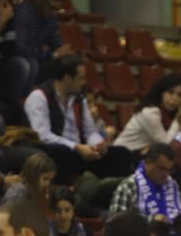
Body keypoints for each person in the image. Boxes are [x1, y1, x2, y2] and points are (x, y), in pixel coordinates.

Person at [25, 54, 133, 185]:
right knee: (62, 152)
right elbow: (42, 135)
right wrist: (76, 147)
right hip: (57, 151)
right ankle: (66, 195)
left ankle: (111, 192)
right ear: (67, 78)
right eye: (80, 78)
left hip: (81, 151)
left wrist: (98, 144)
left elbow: (90, 131)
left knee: (121, 153)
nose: (84, 82)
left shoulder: (79, 99)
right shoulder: (39, 97)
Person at [109, 142, 181, 232]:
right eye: (161, 168)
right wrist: (151, 220)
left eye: (169, 170)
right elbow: (115, 226)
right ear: (147, 162)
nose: (165, 175)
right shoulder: (129, 186)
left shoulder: (172, 185)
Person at [112, 71, 181, 159]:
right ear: (161, 92)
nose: (174, 98)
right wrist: (179, 118)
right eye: (170, 92)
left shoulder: (166, 114)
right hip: (120, 157)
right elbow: (165, 145)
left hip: (136, 156)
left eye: (179, 95)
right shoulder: (150, 112)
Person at [12, 0, 67, 86]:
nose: (54, 13)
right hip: (15, 60)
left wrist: (66, 54)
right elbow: (20, 48)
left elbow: (56, 43)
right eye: (51, 7)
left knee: (65, 65)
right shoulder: (23, 14)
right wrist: (52, 55)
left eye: (57, 9)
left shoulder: (51, 19)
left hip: (37, 58)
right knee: (31, 64)